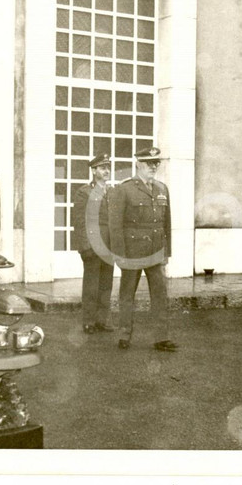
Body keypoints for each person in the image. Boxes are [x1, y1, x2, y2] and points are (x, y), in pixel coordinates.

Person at [108, 147, 177, 352]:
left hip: (155, 251)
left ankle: (161, 338)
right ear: (138, 163)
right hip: (132, 251)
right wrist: (119, 254)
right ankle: (124, 335)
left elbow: (166, 223)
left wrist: (166, 252)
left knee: (160, 294)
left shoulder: (162, 189)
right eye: (149, 163)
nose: (153, 167)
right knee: (127, 294)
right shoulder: (124, 189)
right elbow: (115, 225)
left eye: (156, 163)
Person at [72, 153, 115, 335]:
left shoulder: (112, 192)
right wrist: (84, 246)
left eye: (108, 167)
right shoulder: (84, 192)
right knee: (91, 285)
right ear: (94, 170)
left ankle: (101, 320)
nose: (106, 171)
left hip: (109, 246)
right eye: (102, 167)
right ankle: (89, 321)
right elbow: (80, 222)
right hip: (92, 245)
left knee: (106, 285)